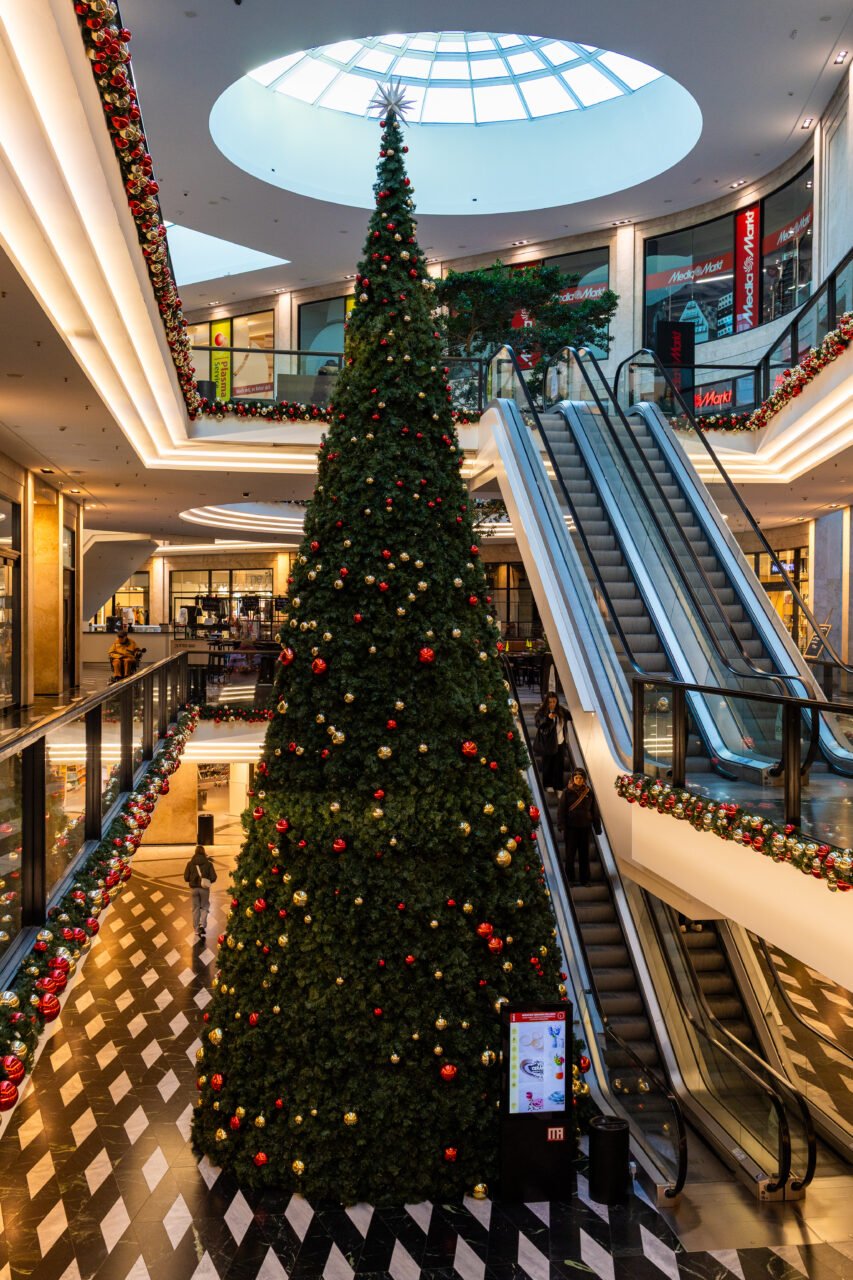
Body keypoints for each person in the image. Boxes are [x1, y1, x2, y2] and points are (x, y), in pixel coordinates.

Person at [557, 767, 601, 887]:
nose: (579, 780)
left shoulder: (589, 792)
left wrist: (597, 827)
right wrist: (561, 825)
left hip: (585, 828)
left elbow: (594, 810)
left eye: (581, 778)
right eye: (576, 778)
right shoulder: (567, 792)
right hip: (571, 828)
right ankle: (569, 879)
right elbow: (561, 810)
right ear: (572, 779)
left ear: (584, 779)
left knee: (584, 855)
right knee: (570, 854)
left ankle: (585, 880)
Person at [534, 692, 571, 792]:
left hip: (560, 742)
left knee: (559, 765)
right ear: (546, 702)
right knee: (548, 764)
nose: (552, 704)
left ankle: (558, 786)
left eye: (554, 701)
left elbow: (571, 715)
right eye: (550, 702)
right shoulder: (542, 712)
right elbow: (539, 724)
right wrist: (548, 718)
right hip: (548, 743)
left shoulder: (561, 710)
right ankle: (548, 784)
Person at [183, 844, 217, 942]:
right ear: (204, 852)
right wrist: (207, 880)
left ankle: (196, 930)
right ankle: (202, 924)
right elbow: (214, 877)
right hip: (204, 889)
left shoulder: (190, 863)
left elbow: (186, 878)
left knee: (195, 908)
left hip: (194, 889)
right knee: (205, 906)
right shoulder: (209, 864)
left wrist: (192, 879)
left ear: (195, 852)